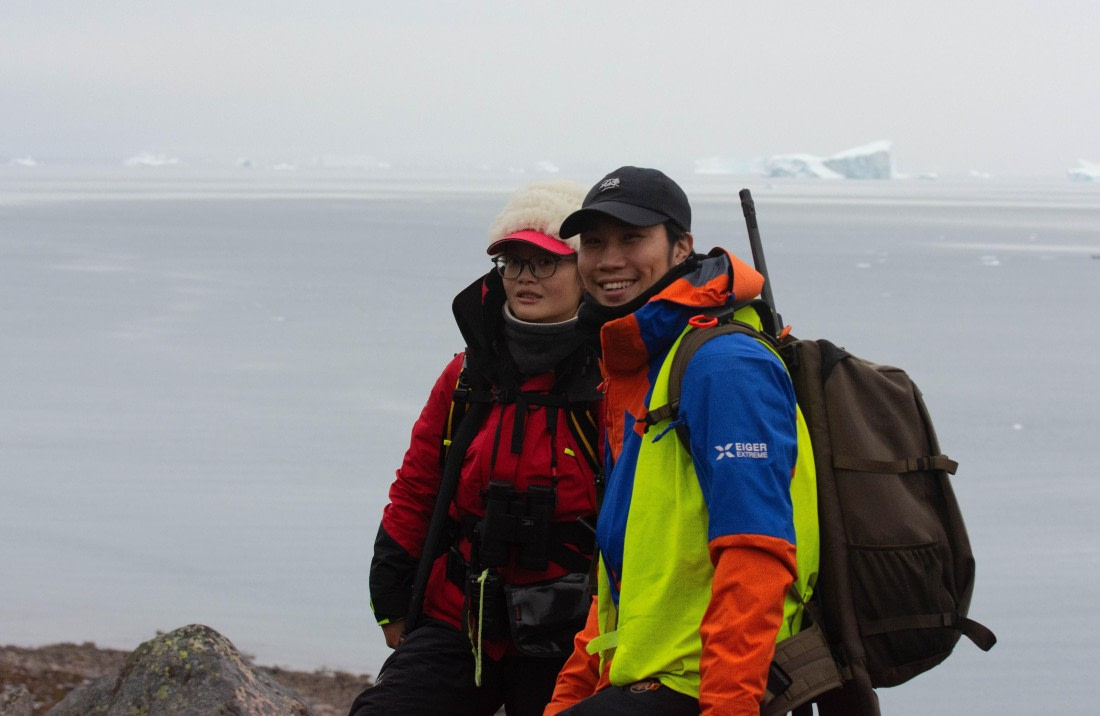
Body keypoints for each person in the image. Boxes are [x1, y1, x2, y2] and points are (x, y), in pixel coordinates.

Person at [543, 167, 817, 716]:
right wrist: (570, 695)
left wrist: (728, 707)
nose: (609, 259)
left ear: (680, 247)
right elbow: (624, 572)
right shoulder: (645, 364)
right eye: (593, 242)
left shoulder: (724, 364)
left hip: (702, 684)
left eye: (632, 237)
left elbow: (756, 551)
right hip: (649, 674)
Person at [349, 180, 603, 716]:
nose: (525, 277)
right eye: (513, 261)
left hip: (576, 636)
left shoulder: (614, 379)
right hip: (462, 617)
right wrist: (392, 599)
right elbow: (418, 486)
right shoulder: (467, 376)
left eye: (545, 262)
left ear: (584, 270)